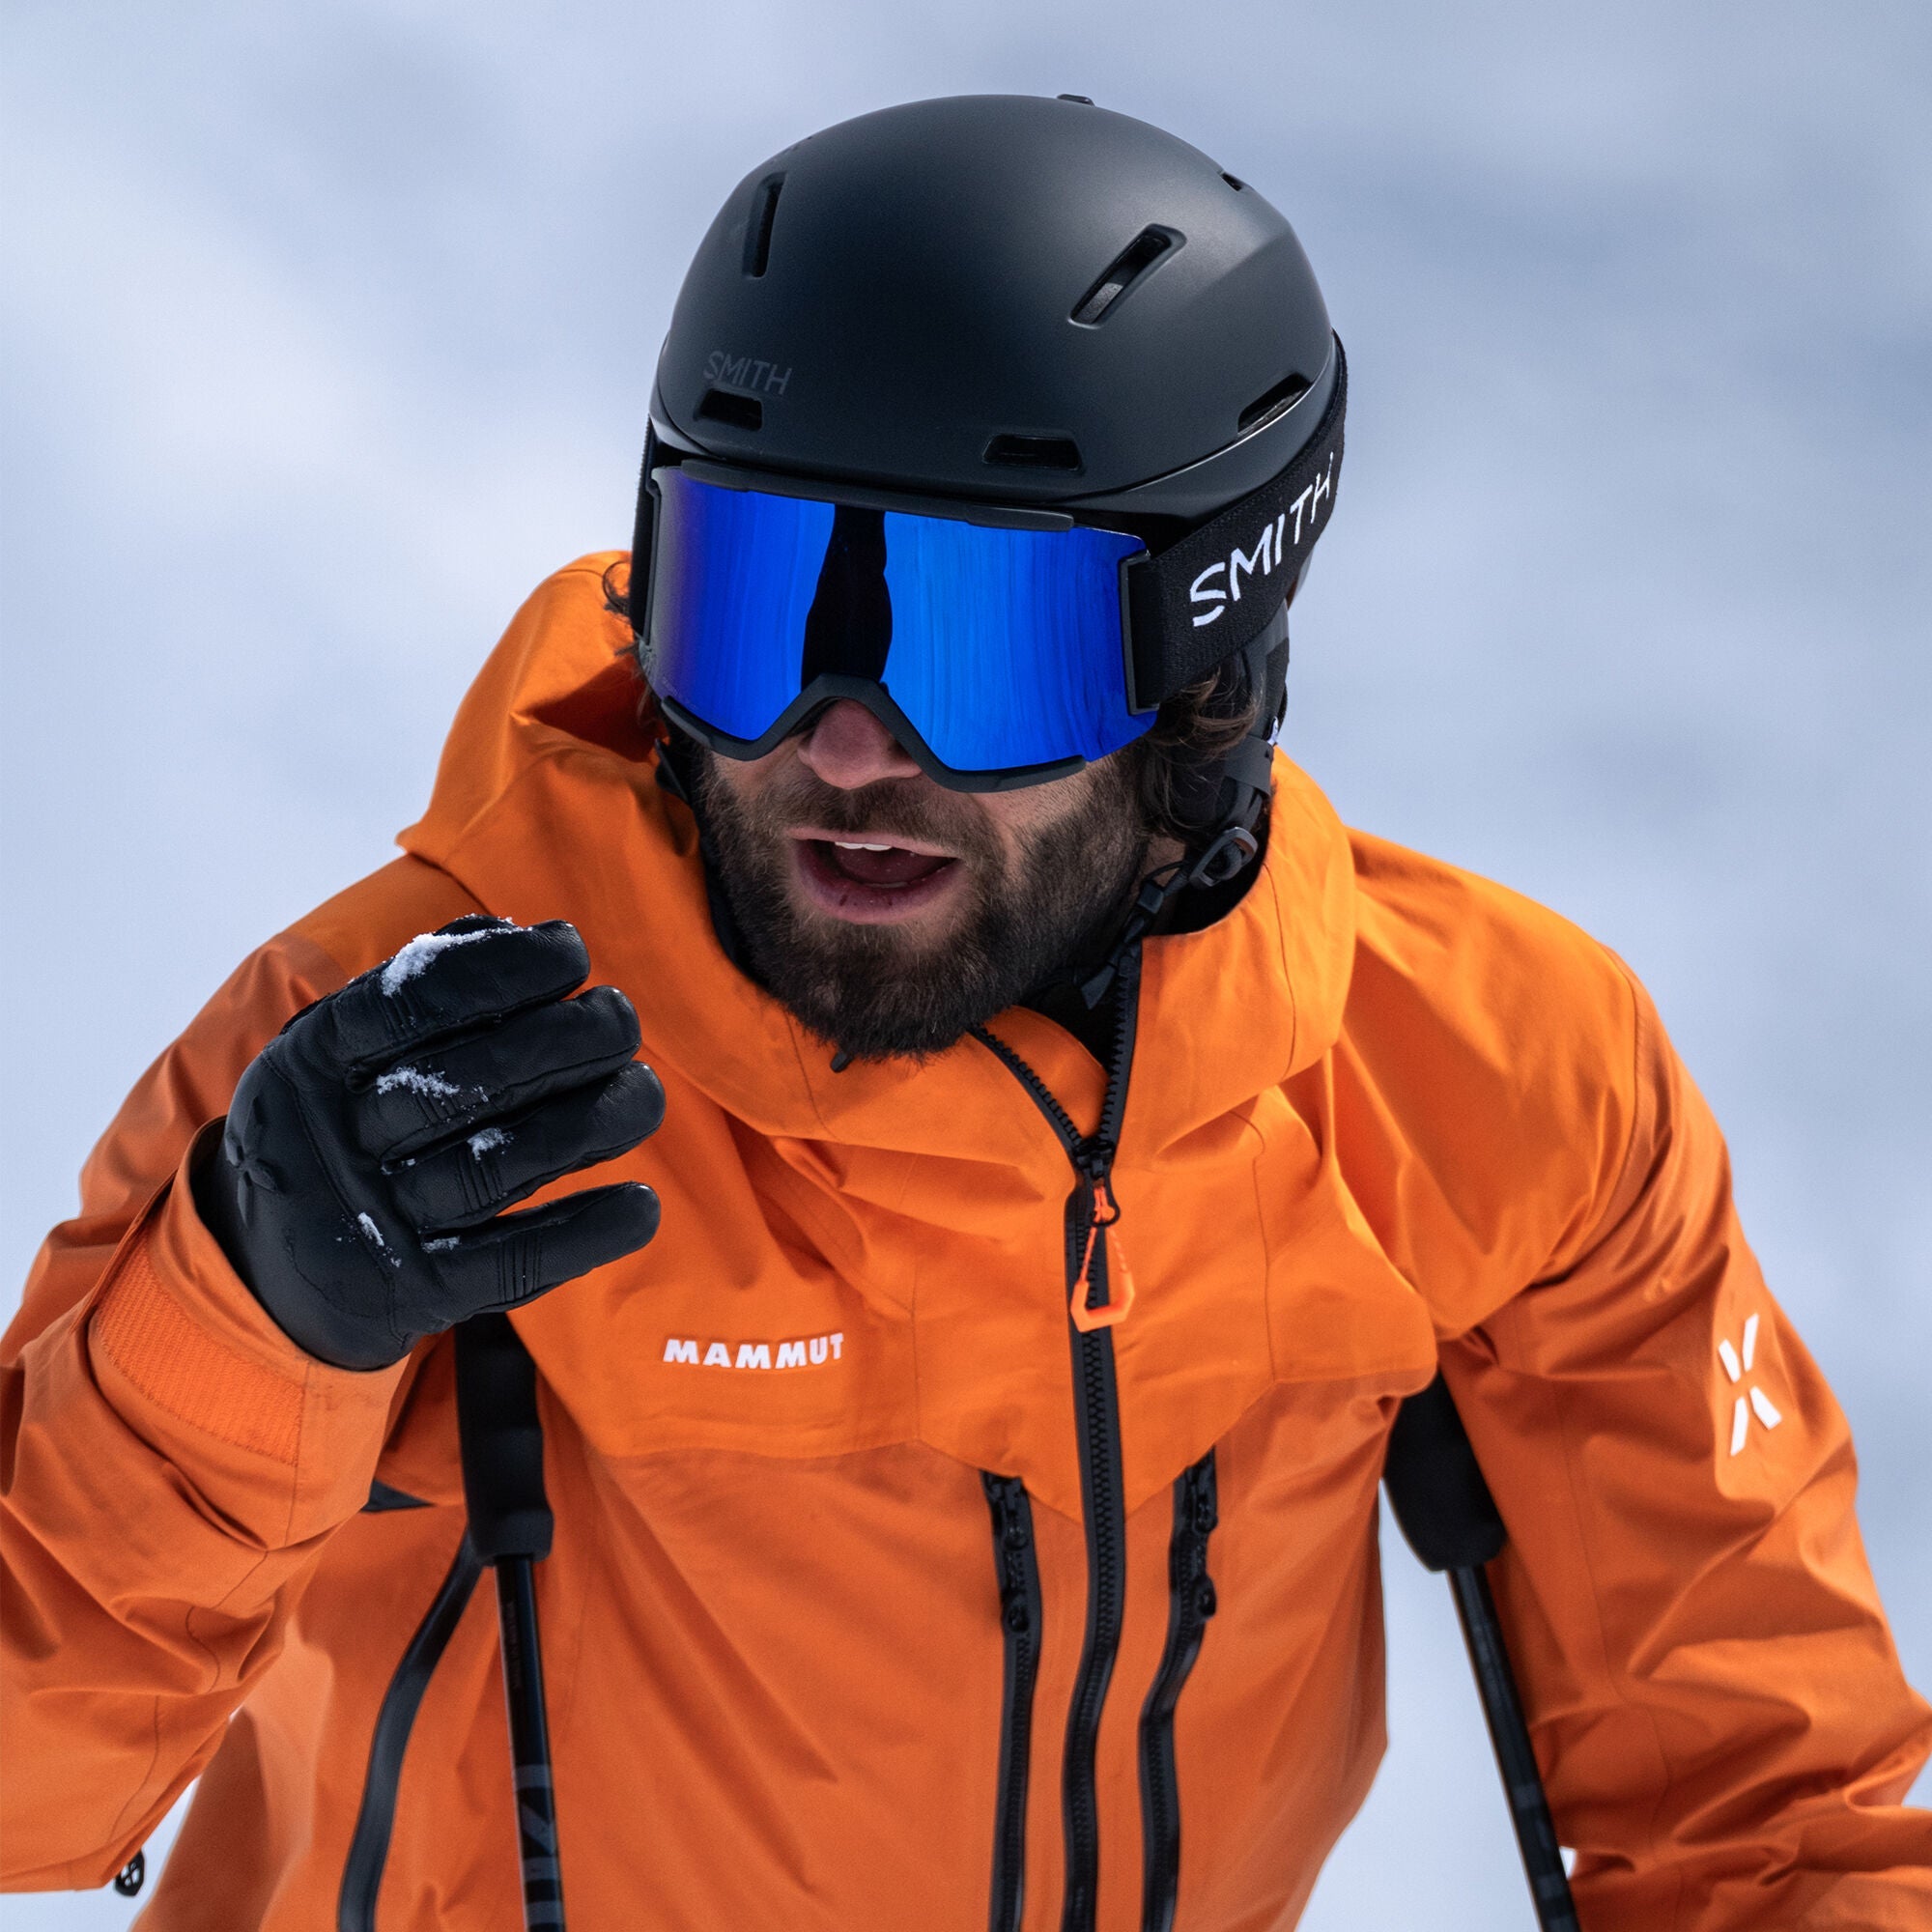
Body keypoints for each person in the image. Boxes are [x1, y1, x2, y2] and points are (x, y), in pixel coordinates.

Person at [3, 93, 1926, 1932]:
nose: (845, 744)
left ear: (1204, 672)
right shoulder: (402, 1069)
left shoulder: (1483, 1080)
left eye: (973, 645)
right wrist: (242, 1313)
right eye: (760, 608)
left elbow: (1773, 1815)